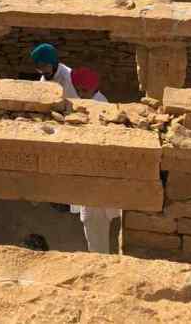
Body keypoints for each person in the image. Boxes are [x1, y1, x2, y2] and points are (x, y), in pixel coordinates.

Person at [68, 66, 120, 253]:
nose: (81, 94)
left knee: (95, 228)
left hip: (96, 180)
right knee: (92, 227)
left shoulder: (100, 106)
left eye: (84, 90)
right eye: (78, 90)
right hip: (88, 179)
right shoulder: (88, 103)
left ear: (93, 88)